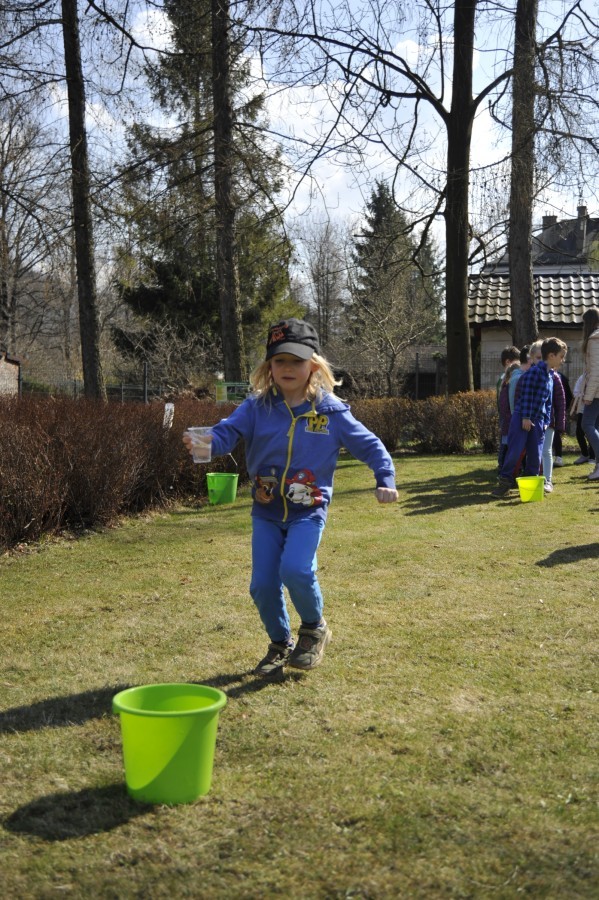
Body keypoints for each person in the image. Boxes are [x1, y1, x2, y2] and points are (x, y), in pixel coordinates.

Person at [183, 318, 398, 676]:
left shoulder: (330, 412)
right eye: (279, 360)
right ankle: (280, 644)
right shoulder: (256, 407)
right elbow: (227, 433)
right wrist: (205, 442)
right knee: (262, 585)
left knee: (296, 569)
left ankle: (314, 629)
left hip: (308, 511)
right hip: (266, 510)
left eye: (296, 361)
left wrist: (384, 477)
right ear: (268, 366)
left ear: (313, 365)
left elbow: (370, 445)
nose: (287, 368)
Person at [492, 337, 568, 498]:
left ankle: (530, 487)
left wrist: (546, 421)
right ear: (551, 356)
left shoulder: (551, 376)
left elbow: (548, 402)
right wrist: (526, 417)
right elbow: (526, 395)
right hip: (523, 418)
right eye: (561, 356)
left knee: (535, 455)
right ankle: (504, 482)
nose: (563, 360)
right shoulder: (534, 373)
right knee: (515, 452)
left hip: (538, 421)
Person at [540, 365, 566, 493]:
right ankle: (536, 477)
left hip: (549, 421)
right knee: (536, 451)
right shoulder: (534, 375)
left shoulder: (555, 378)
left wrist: (560, 423)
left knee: (546, 450)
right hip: (535, 421)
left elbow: (561, 403)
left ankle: (548, 480)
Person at [580, 307, 599, 481]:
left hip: (596, 393)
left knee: (586, 424)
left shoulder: (594, 339)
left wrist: (588, 395)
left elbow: (596, 371)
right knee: (596, 427)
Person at [496, 346, 521, 467]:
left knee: (505, 441)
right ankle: (503, 466)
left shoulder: (506, 378)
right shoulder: (506, 379)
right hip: (507, 416)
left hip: (505, 415)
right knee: (505, 442)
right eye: (517, 362)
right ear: (508, 362)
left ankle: (504, 465)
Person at [570, 373, 596, 465]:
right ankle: (585, 454)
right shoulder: (583, 377)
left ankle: (593, 456)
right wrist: (583, 395)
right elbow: (576, 392)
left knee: (593, 432)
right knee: (579, 432)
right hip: (583, 408)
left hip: (595, 409)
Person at [551, 371, 572, 466]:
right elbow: (569, 396)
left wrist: (562, 408)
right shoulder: (561, 376)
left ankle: (558, 457)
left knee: (555, 433)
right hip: (557, 409)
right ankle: (557, 457)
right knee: (555, 433)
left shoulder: (560, 377)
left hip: (555, 409)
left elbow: (568, 396)